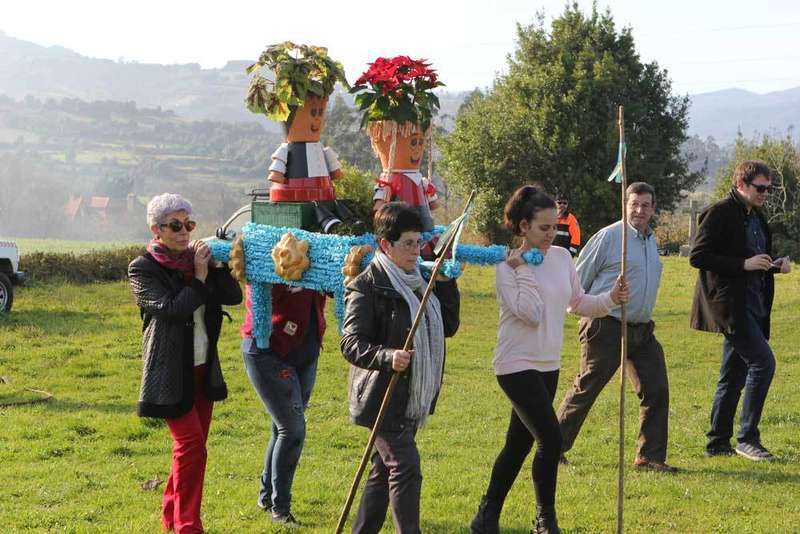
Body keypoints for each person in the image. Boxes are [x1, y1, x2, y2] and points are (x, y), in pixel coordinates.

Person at [470, 185, 627, 534]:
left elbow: (578, 303)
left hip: (547, 365)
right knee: (551, 440)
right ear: (523, 226)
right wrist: (521, 266)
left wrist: (611, 298)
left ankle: (485, 516)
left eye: (555, 227)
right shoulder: (506, 266)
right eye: (544, 228)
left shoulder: (561, 257)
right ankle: (545, 521)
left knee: (517, 444)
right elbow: (531, 313)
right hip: (515, 365)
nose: (552, 234)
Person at [340, 202, 460, 534]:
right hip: (380, 396)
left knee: (383, 473)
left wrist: (445, 281)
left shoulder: (420, 280)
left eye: (418, 242)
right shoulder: (367, 285)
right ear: (385, 245)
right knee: (405, 468)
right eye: (407, 243)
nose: (415, 250)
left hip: (410, 396)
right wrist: (387, 356)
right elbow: (350, 343)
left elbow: (448, 325)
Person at [128, 193, 242, 533]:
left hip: (203, 369)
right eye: (175, 226)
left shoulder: (197, 261)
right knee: (190, 445)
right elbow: (173, 308)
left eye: (188, 225)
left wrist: (218, 267)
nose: (184, 232)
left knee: (193, 451)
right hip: (168, 373)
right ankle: (188, 526)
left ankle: (170, 515)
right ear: (156, 229)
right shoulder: (143, 268)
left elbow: (234, 297)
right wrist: (199, 277)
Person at [556, 182, 677, 473]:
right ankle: (552, 448)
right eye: (634, 203)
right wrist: (591, 308)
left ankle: (649, 457)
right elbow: (577, 280)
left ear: (653, 209)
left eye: (645, 205)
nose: (639, 210)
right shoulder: (610, 237)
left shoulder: (650, 240)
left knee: (657, 388)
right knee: (587, 387)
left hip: (642, 329)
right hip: (605, 325)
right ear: (625, 204)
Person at [690, 160, 791, 460]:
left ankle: (717, 443)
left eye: (768, 189)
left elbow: (751, 257)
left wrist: (773, 264)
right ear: (741, 184)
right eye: (760, 188)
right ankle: (748, 438)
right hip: (731, 306)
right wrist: (743, 265)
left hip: (755, 304)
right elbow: (698, 256)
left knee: (733, 375)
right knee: (764, 363)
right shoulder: (719, 212)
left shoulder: (756, 217)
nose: (764, 194)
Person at [240, 282, 327, 525]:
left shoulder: (318, 249)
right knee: (292, 430)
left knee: (283, 428)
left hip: (306, 350)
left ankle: (267, 497)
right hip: (268, 349)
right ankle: (280, 510)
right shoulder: (267, 251)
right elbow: (258, 292)